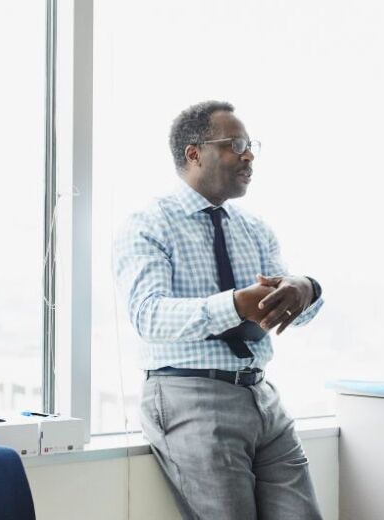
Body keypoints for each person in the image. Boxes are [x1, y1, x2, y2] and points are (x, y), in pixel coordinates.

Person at [114, 100, 324, 520]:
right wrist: (234, 305)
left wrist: (306, 288)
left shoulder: (254, 228)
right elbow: (148, 316)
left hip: (261, 396)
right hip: (190, 396)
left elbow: (292, 310)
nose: (248, 155)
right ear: (194, 153)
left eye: (251, 146)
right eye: (236, 144)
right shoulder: (148, 223)